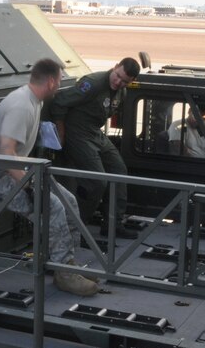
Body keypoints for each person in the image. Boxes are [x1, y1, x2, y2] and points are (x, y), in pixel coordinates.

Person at [0, 58, 97, 297]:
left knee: (69, 201)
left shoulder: (33, 101)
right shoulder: (22, 105)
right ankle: (65, 275)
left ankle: (66, 264)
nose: (60, 85)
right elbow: (5, 152)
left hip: (17, 171)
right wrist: (31, 185)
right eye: (60, 80)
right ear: (51, 81)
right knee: (52, 207)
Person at [48, 57, 140, 225]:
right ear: (115, 67)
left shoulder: (122, 92)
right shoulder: (93, 84)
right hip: (77, 134)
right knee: (97, 182)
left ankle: (113, 224)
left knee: (119, 170)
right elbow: (59, 102)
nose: (118, 82)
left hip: (94, 133)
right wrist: (60, 132)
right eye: (117, 76)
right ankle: (76, 225)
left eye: (124, 81)